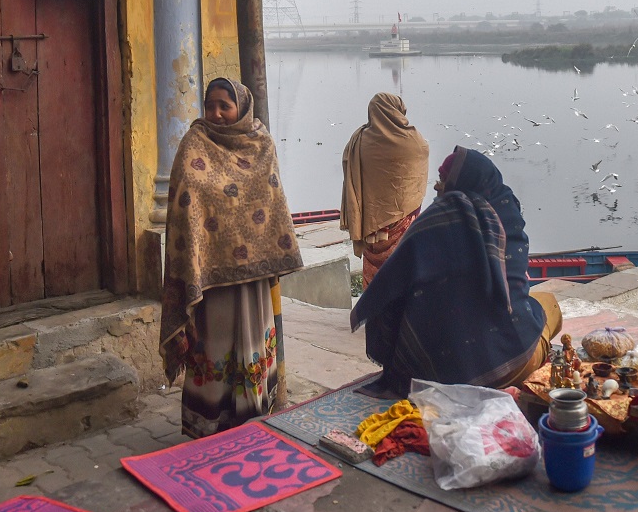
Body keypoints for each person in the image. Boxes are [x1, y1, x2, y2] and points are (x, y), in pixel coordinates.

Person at [349, 146, 562, 399]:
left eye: (442, 180)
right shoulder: (506, 212)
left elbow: (388, 291)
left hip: (435, 375)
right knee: (548, 305)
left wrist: (397, 359)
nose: (438, 188)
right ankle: (529, 369)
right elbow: (516, 287)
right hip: (512, 363)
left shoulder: (432, 222)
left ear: (456, 182)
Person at [159, 78, 303, 438]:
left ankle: (252, 419)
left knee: (253, 342)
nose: (217, 114)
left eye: (225, 105)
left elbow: (270, 202)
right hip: (210, 279)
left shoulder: (261, 144)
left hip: (253, 279)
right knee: (216, 344)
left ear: (242, 106)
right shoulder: (195, 142)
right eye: (211, 106)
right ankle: (208, 423)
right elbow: (184, 200)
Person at [340, 93, 430, 290]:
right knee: (403, 270)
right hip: (404, 221)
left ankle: (374, 311)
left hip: (372, 226)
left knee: (374, 270)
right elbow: (418, 174)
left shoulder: (359, 141)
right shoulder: (414, 141)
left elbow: (349, 171)